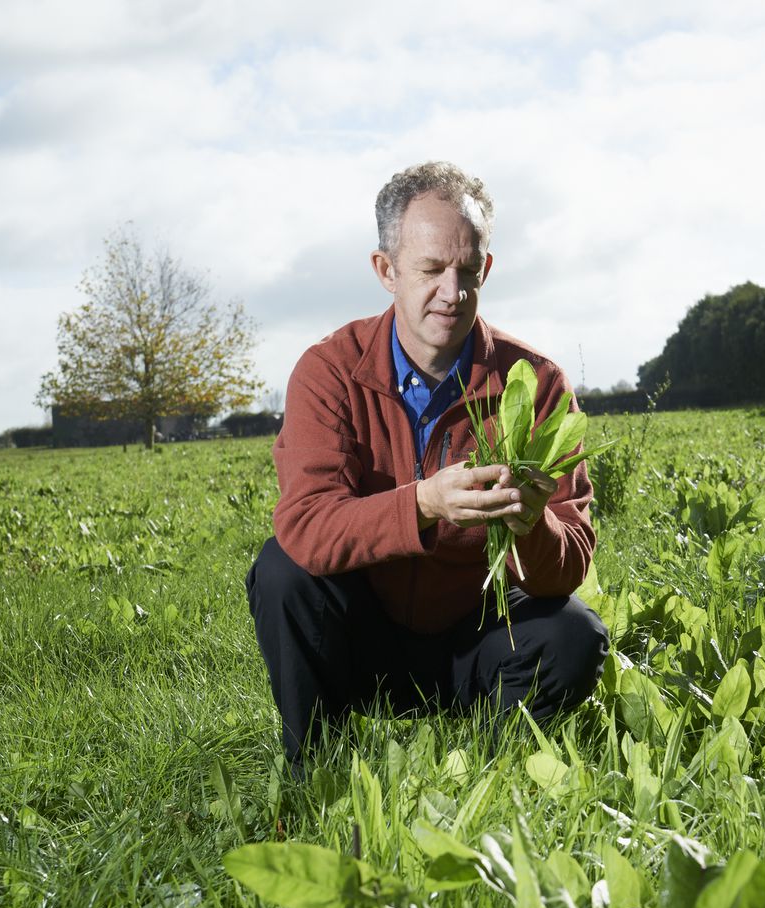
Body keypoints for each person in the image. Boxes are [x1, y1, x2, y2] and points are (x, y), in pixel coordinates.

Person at [246, 161, 608, 770]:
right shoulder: (329, 371)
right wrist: (424, 503)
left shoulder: (537, 383)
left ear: (487, 268)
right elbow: (306, 527)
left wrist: (533, 523)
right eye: (432, 269)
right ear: (386, 270)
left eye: (468, 270)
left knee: (575, 634)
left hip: (480, 635)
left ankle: (490, 770)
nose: (453, 291)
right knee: (283, 572)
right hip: (367, 636)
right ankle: (318, 769)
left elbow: (569, 566)